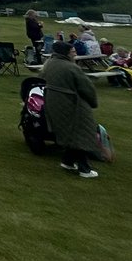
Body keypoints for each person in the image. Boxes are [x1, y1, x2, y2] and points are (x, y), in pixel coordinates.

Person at [41, 41, 102, 178]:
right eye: (73, 51)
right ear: (66, 53)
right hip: (71, 103)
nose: (75, 53)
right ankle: (84, 169)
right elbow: (87, 88)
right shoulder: (71, 67)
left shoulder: (49, 64)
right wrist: (92, 103)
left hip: (54, 102)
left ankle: (67, 161)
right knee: (81, 133)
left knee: (68, 132)